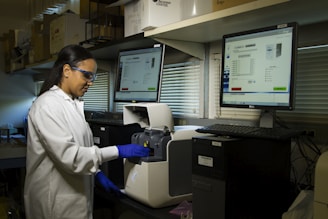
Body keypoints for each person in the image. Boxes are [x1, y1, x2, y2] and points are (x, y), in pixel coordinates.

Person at [23, 44, 150, 219]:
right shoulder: (48, 105)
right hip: (54, 203)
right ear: (67, 70)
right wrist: (118, 150)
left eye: (93, 76)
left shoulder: (72, 104)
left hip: (74, 200)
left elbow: (82, 147)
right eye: (87, 75)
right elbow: (70, 157)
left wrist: (97, 174)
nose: (91, 82)